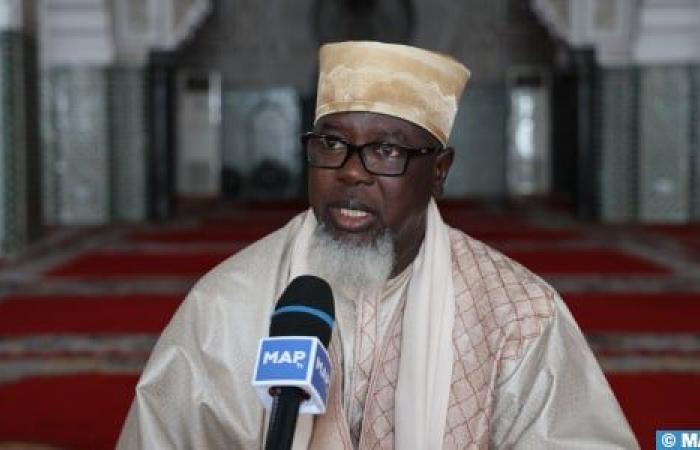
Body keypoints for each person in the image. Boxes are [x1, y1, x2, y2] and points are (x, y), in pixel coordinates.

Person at [117, 41, 639, 449]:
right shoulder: (226, 306)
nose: (349, 172)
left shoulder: (517, 315)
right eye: (331, 143)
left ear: (439, 171)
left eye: (386, 150)